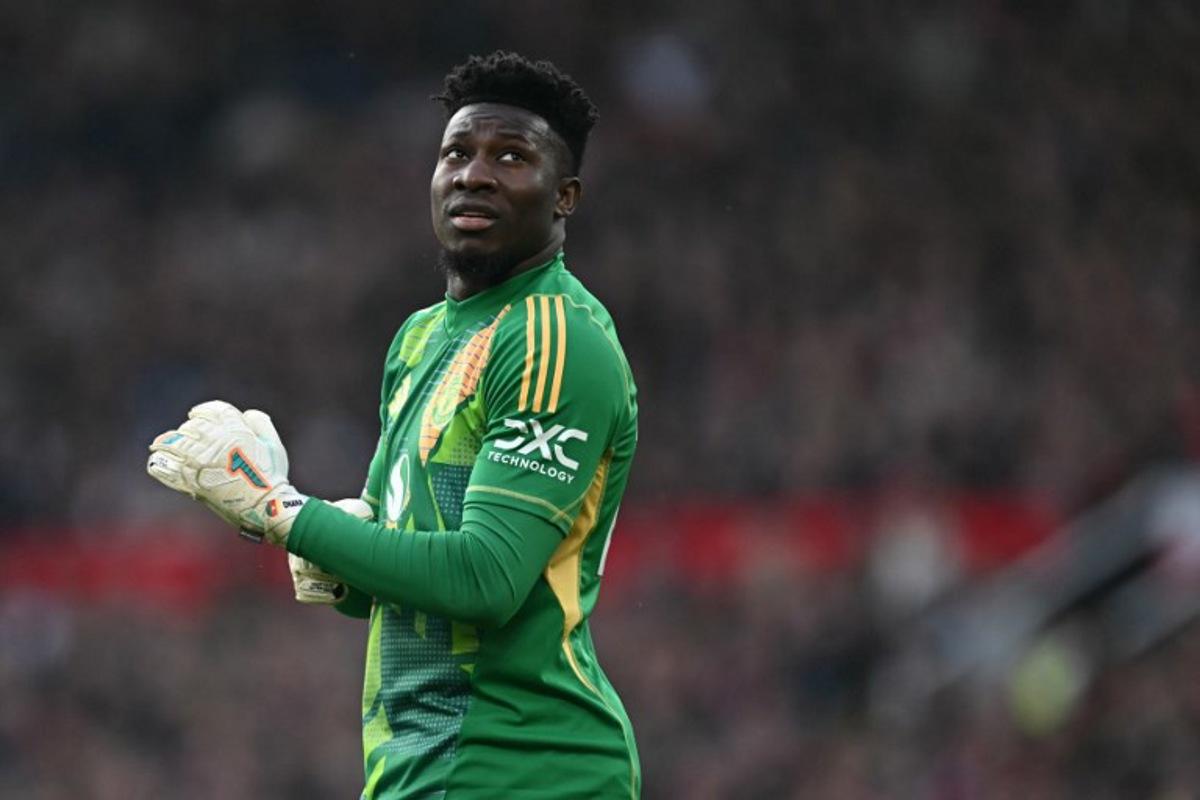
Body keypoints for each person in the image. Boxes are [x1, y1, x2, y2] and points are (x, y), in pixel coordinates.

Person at [147, 51, 640, 799]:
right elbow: (388, 578)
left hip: (525, 767)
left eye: (511, 157)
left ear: (564, 196)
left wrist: (282, 510)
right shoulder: (420, 338)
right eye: (457, 153)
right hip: (423, 769)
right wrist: (319, 545)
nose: (474, 174)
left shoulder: (551, 338)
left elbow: (484, 580)